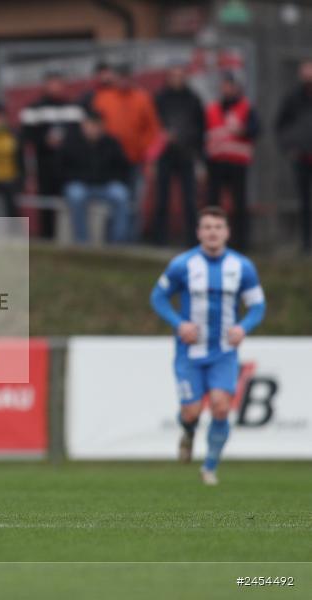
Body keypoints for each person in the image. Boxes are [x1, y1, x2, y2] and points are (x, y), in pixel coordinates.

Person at [150, 206, 266, 485]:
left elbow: (257, 306)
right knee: (191, 411)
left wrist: (243, 327)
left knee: (221, 407)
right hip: (189, 353)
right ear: (199, 232)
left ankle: (209, 467)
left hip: (223, 352)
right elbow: (158, 297)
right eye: (207, 227)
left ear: (227, 232)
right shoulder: (182, 265)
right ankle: (188, 432)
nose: (212, 232)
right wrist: (179, 324)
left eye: (218, 227)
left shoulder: (242, 267)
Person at [90, 63, 161, 241]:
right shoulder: (103, 98)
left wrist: (146, 153)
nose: (123, 81)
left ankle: (130, 240)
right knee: (111, 200)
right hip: (110, 162)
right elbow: (96, 127)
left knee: (134, 202)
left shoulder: (142, 98)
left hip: (134, 160)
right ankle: (108, 239)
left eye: (126, 76)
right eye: (120, 77)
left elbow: (152, 130)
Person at [19, 71, 84, 239]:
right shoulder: (34, 109)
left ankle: (69, 238)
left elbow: (79, 136)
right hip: (44, 164)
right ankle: (46, 237)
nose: (55, 87)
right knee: (45, 202)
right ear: (45, 85)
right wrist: (44, 141)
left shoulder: (73, 108)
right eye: (51, 83)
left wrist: (66, 144)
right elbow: (26, 137)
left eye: (58, 82)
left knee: (67, 201)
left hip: (68, 166)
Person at [205, 72, 260, 251]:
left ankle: (241, 243)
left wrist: (243, 130)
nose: (227, 89)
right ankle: (212, 241)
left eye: (230, 85)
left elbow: (256, 129)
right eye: (224, 85)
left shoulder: (246, 107)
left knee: (239, 204)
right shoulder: (213, 108)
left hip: (237, 163)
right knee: (213, 205)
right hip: (216, 163)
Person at [59, 110, 131, 244]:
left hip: (105, 185)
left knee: (121, 194)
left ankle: (118, 243)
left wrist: (108, 178)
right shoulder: (71, 143)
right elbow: (62, 169)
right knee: (75, 195)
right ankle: (82, 242)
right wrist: (80, 178)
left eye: (97, 126)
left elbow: (122, 168)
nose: (93, 129)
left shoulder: (112, 143)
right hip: (80, 185)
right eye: (90, 125)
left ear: (102, 127)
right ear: (83, 126)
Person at [153, 64, 206, 246]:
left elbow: (200, 127)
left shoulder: (193, 99)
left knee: (190, 201)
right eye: (173, 75)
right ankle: (159, 239)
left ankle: (192, 239)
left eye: (180, 75)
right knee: (162, 199)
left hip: (186, 154)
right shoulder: (160, 98)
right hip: (164, 154)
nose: (176, 79)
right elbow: (153, 124)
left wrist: (188, 142)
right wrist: (164, 136)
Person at [274, 59, 312, 254]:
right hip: (302, 158)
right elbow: (281, 126)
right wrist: (290, 148)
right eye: (306, 70)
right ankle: (306, 244)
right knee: (305, 202)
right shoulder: (293, 98)